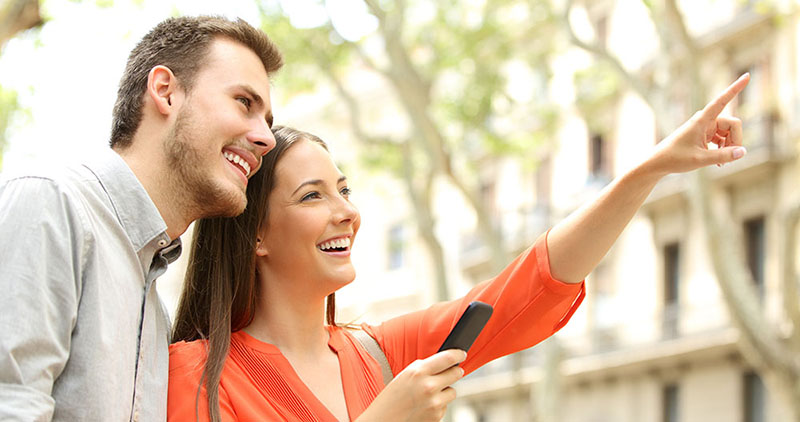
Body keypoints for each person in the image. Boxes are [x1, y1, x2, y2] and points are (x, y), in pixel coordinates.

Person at [167, 74, 750, 422]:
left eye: (344, 189)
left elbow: (531, 287)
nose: (346, 210)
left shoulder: (381, 353)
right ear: (257, 234)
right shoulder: (192, 377)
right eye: (313, 195)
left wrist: (649, 169)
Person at [0, 16, 283, 421]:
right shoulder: (51, 204)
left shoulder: (151, 305)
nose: (266, 139)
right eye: (244, 102)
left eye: (267, 122)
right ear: (165, 92)